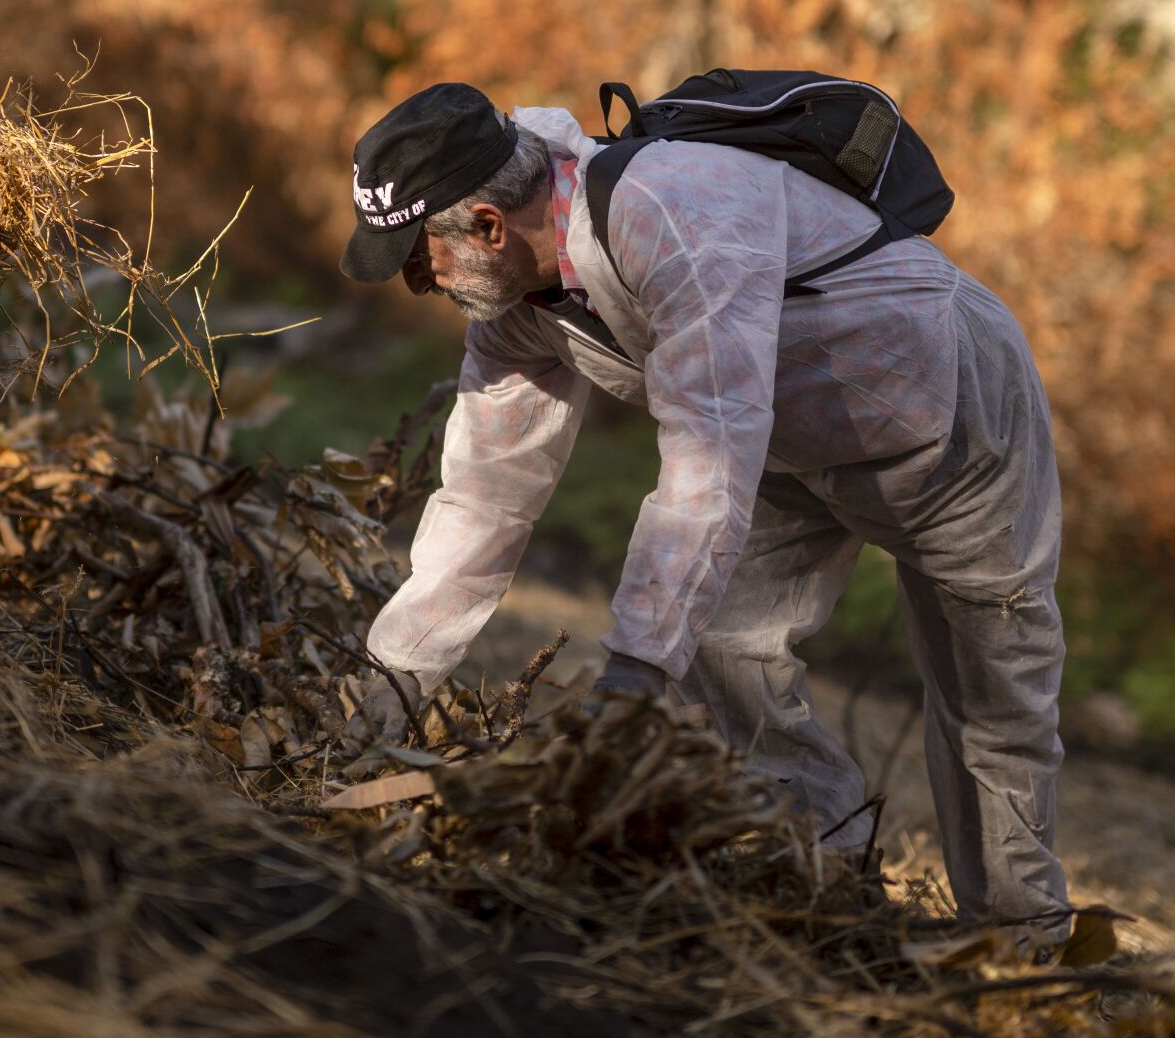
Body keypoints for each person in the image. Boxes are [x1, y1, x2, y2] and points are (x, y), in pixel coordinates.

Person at [340, 82, 1071, 943]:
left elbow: (706, 451)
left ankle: (1021, 946)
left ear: (490, 227)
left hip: (946, 412)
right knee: (721, 645)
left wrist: (631, 671)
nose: (418, 284)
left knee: (989, 693)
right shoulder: (513, 309)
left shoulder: (669, 209)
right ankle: (834, 879)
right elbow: (485, 494)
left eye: (416, 257)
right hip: (789, 441)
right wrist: (393, 676)